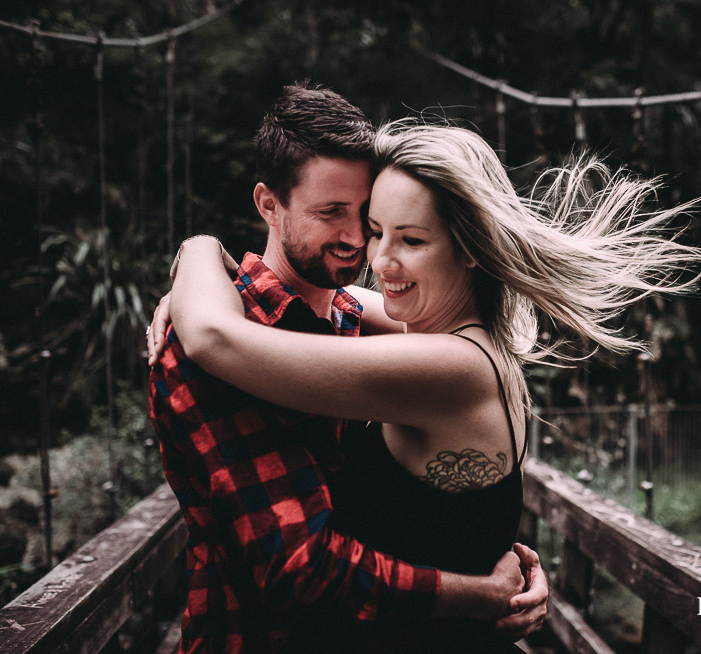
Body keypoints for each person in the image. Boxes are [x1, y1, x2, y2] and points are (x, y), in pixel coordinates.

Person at [158, 119, 701, 650]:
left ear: (471, 247)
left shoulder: (447, 368)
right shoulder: (467, 342)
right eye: (377, 231)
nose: (378, 257)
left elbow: (213, 336)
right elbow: (336, 305)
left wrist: (198, 249)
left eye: (412, 240)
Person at [148, 83, 547, 653]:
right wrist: (201, 262)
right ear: (268, 204)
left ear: (468, 247)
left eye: (371, 219)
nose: (364, 245)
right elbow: (301, 567)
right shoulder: (219, 341)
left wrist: (197, 252)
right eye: (333, 213)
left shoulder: (399, 340)